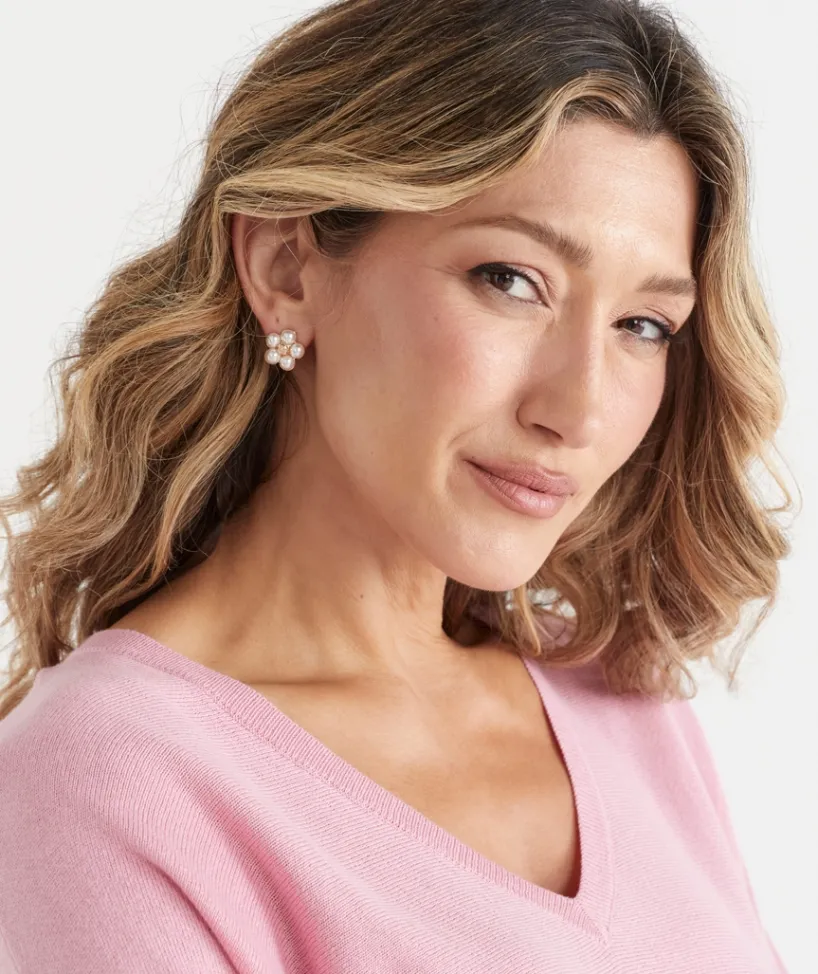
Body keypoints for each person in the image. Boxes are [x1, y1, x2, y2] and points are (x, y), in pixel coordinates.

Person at [0, 0, 797, 971]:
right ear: (286, 268)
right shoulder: (112, 779)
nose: (578, 409)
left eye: (642, 326)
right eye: (511, 279)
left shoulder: (621, 701)